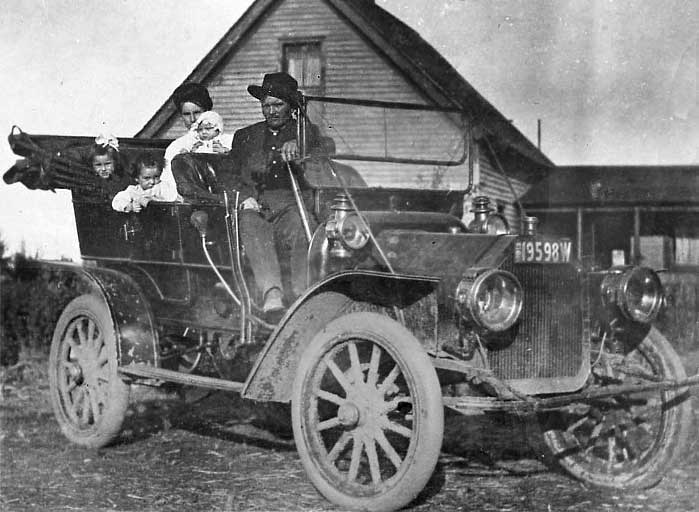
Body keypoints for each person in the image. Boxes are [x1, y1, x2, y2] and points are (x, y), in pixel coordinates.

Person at [227, 72, 325, 312]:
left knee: (304, 229)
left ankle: (304, 296)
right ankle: (272, 293)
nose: (271, 111)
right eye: (266, 105)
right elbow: (228, 174)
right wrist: (243, 197)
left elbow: (319, 155)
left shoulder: (306, 132)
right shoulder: (244, 136)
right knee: (250, 225)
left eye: (278, 105)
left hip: (290, 206)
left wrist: (298, 144)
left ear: (291, 106)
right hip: (254, 206)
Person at [162, 83, 233, 198]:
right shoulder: (176, 147)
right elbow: (169, 186)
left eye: (197, 112)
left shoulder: (228, 141)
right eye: (186, 114)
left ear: (208, 112)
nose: (192, 119)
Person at [111, 152, 178, 212]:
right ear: (137, 178)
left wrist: (152, 200)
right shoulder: (133, 191)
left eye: (156, 177)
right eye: (147, 178)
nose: (152, 181)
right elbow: (116, 201)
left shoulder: (162, 187)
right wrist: (130, 206)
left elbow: (173, 198)